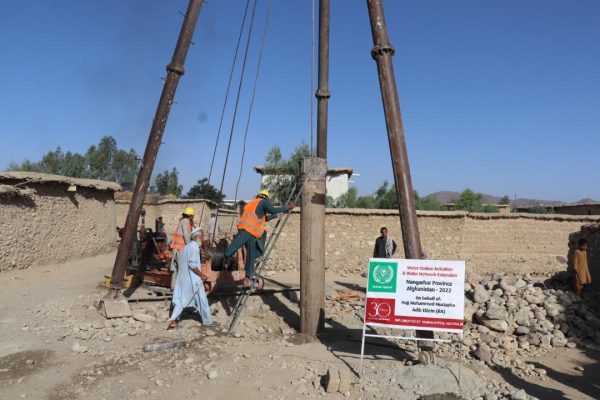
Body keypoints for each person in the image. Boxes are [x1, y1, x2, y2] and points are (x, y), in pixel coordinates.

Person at [224, 189, 294, 285]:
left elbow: (264, 218)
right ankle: (226, 258)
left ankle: (248, 276)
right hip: (249, 229)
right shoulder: (264, 202)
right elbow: (272, 210)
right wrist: (287, 207)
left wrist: (277, 215)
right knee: (235, 246)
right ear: (267, 198)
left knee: (250, 253)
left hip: (246, 229)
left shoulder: (252, 203)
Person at [167, 227, 215, 329]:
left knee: (181, 299)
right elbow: (192, 265)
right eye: (202, 236)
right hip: (193, 280)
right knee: (202, 299)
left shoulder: (187, 246)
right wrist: (202, 275)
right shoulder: (194, 247)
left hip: (183, 279)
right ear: (197, 237)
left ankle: (173, 320)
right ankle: (208, 321)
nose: (203, 239)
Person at [170, 207, 195, 289]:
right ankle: (181, 287)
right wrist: (190, 247)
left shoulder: (181, 221)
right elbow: (186, 235)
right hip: (181, 248)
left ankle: (173, 286)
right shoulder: (186, 221)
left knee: (176, 268)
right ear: (191, 216)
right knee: (182, 268)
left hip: (176, 248)